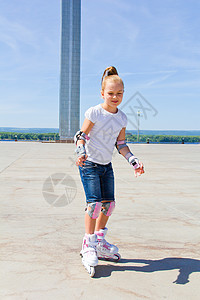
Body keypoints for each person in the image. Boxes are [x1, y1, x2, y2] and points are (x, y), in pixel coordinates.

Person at [74, 66, 144, 276]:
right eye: (111, 93)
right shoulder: (95, 112)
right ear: (102, 93)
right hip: (89, 163)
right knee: (94, 204)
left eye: (119, 93)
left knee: (109, 205)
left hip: (106, 165)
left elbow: (121, 144)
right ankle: (88, 245)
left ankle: (100, 242)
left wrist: (133, 160)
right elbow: (81, 135)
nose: (115, 97)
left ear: (123, 94)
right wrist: (80, 151)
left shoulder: (121, 118)